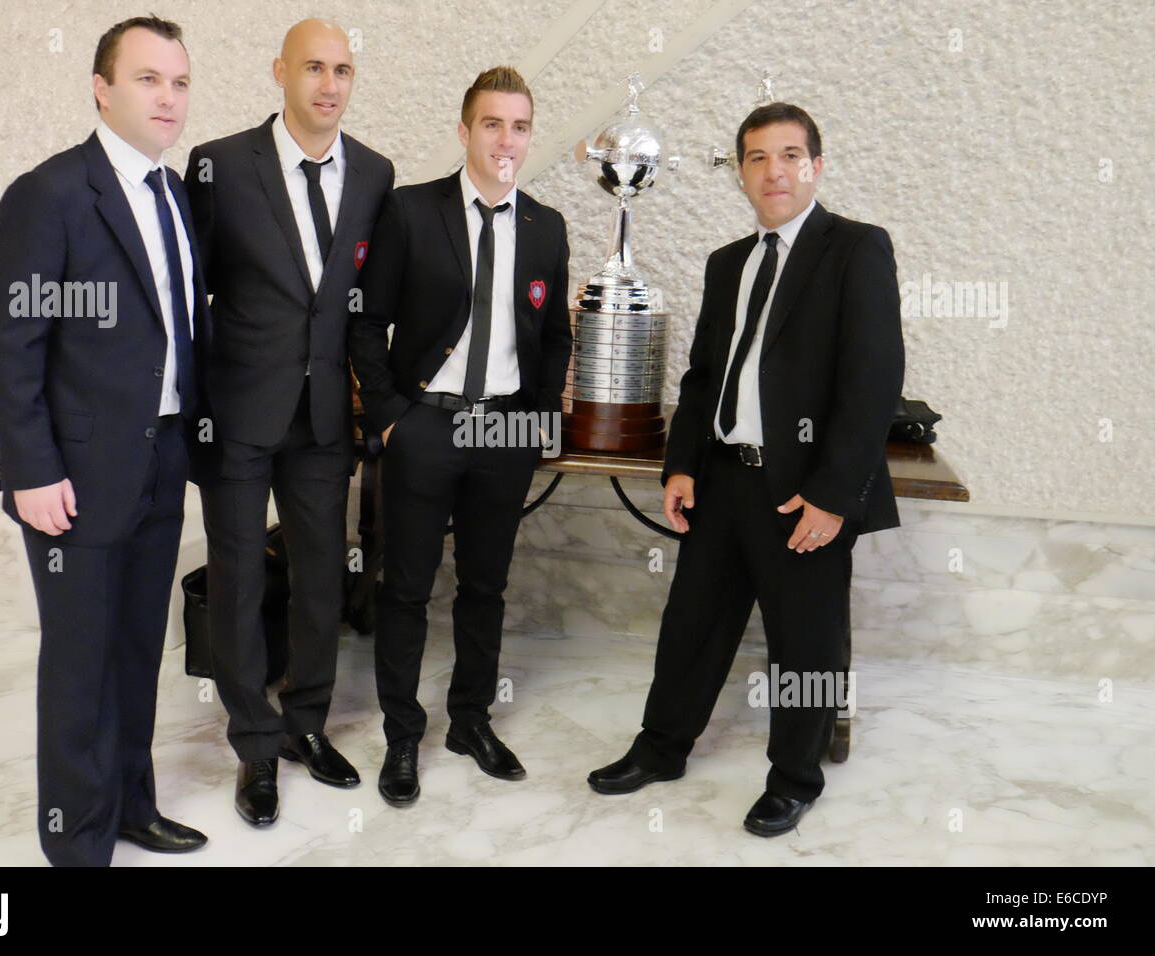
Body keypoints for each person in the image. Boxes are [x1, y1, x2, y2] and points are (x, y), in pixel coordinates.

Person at [587, 102, 905, 837]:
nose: (774, 170)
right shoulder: (728, 263)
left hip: (804, 493)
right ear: (740, 173)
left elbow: (873, 382)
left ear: (816, 166)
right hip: (725, 478)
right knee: (691, 624)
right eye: (757, 157)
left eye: (790, 154)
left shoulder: (856, 250)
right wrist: (681, 465)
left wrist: (832, 496)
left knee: (807, 641)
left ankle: (795, 777)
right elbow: (703, 377)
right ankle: (661, 748)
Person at [0, 15, 210, 865]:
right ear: (101, 87)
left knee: (138, 649)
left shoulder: (172, 191)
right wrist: (30, 468)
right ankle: (75, 840)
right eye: (149, 78)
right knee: (80, 663)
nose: (168, 97)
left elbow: (178, 331)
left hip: (159, 462)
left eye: (180, 82)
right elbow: (11, 343)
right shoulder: (52, 193)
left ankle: (130, 806)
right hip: (72, 478)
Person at [184, 19, 394, 827]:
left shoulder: (375, 173)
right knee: (239, 583)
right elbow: (190, 292)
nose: (329, 84)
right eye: (313, 67)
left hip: (321, 418)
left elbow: (366, 305)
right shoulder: (219, 165)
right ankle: (256, 743)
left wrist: (377, 409)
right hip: (236, 414)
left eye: (342, 69)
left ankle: (308, 721)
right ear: (280, 72)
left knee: (321, 578)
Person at [349, 66, 572, 807]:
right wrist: (389, 415)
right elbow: (366, 319)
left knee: (485, 587)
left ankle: (469, 720)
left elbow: (557, 338)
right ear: (464, 130)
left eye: (519, 125)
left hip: (504, 432)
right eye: (491, 124)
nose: (505, 139)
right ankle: (402, 736)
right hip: (427, 429)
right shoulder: (412, 212)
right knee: (406, 590)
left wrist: (539, 421)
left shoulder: (547, 227)